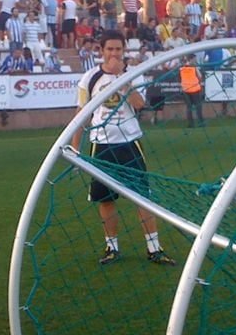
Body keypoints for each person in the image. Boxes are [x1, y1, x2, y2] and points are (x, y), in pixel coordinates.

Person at [70, 30, 175, 266]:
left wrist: (122, 80)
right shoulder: (89, 78)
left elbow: (139, 105)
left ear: (124, 50)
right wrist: (75, 147)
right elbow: (81, 114)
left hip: (130, 143)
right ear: (101, 50)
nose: (114, 53)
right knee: (105, 199)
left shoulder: (133, 75)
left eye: (118, 49)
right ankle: (112, 247)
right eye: (110, 49)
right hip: (101, 145)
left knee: (142, 197)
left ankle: (154, 248)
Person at [179, 54, 205, 128]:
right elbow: (200, 77)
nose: (195, 60)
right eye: (194, 59)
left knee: (189, 107)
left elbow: (180, 78)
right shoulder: (194, 67)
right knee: (198, 106)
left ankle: (191, 124)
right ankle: (201, 122)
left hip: (185, 89)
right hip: (195, 89)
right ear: (191, 59)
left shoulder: (181, 68)